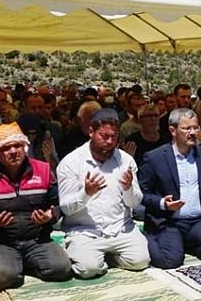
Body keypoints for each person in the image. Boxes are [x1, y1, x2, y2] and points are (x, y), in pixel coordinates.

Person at [0, 123, 71, 291]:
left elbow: (61, 205)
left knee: (61, 269)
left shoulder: (44, 170)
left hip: (37, 240)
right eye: (6, 148)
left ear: (24, 147)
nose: (13, 152)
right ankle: (8, 263)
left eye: (17, 146)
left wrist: (51, 215)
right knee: (1, 278)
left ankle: (19, 262)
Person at [57, 108, 150, 278]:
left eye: (113, 137)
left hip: (120, 228)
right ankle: (95, 257)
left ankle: (108, 258)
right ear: (91, 132)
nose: (109, 142)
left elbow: (135, 203)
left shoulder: (126, 160)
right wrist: (86, 193)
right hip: (85, 231)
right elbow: (66, 208)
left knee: (141, 261)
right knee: (88, 269)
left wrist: (128, 188)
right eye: (104, 136)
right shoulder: (71, 162)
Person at [139, 108, 201, 268]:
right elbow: (142, 194)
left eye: (195, 127)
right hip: (169, 221)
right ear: (173, 130)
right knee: (169, 261)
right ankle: (148, 238)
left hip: (196, 221)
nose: (193, 132)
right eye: (187, 128)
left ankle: (182, 242)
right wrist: (163, 203)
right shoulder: (154, 157)